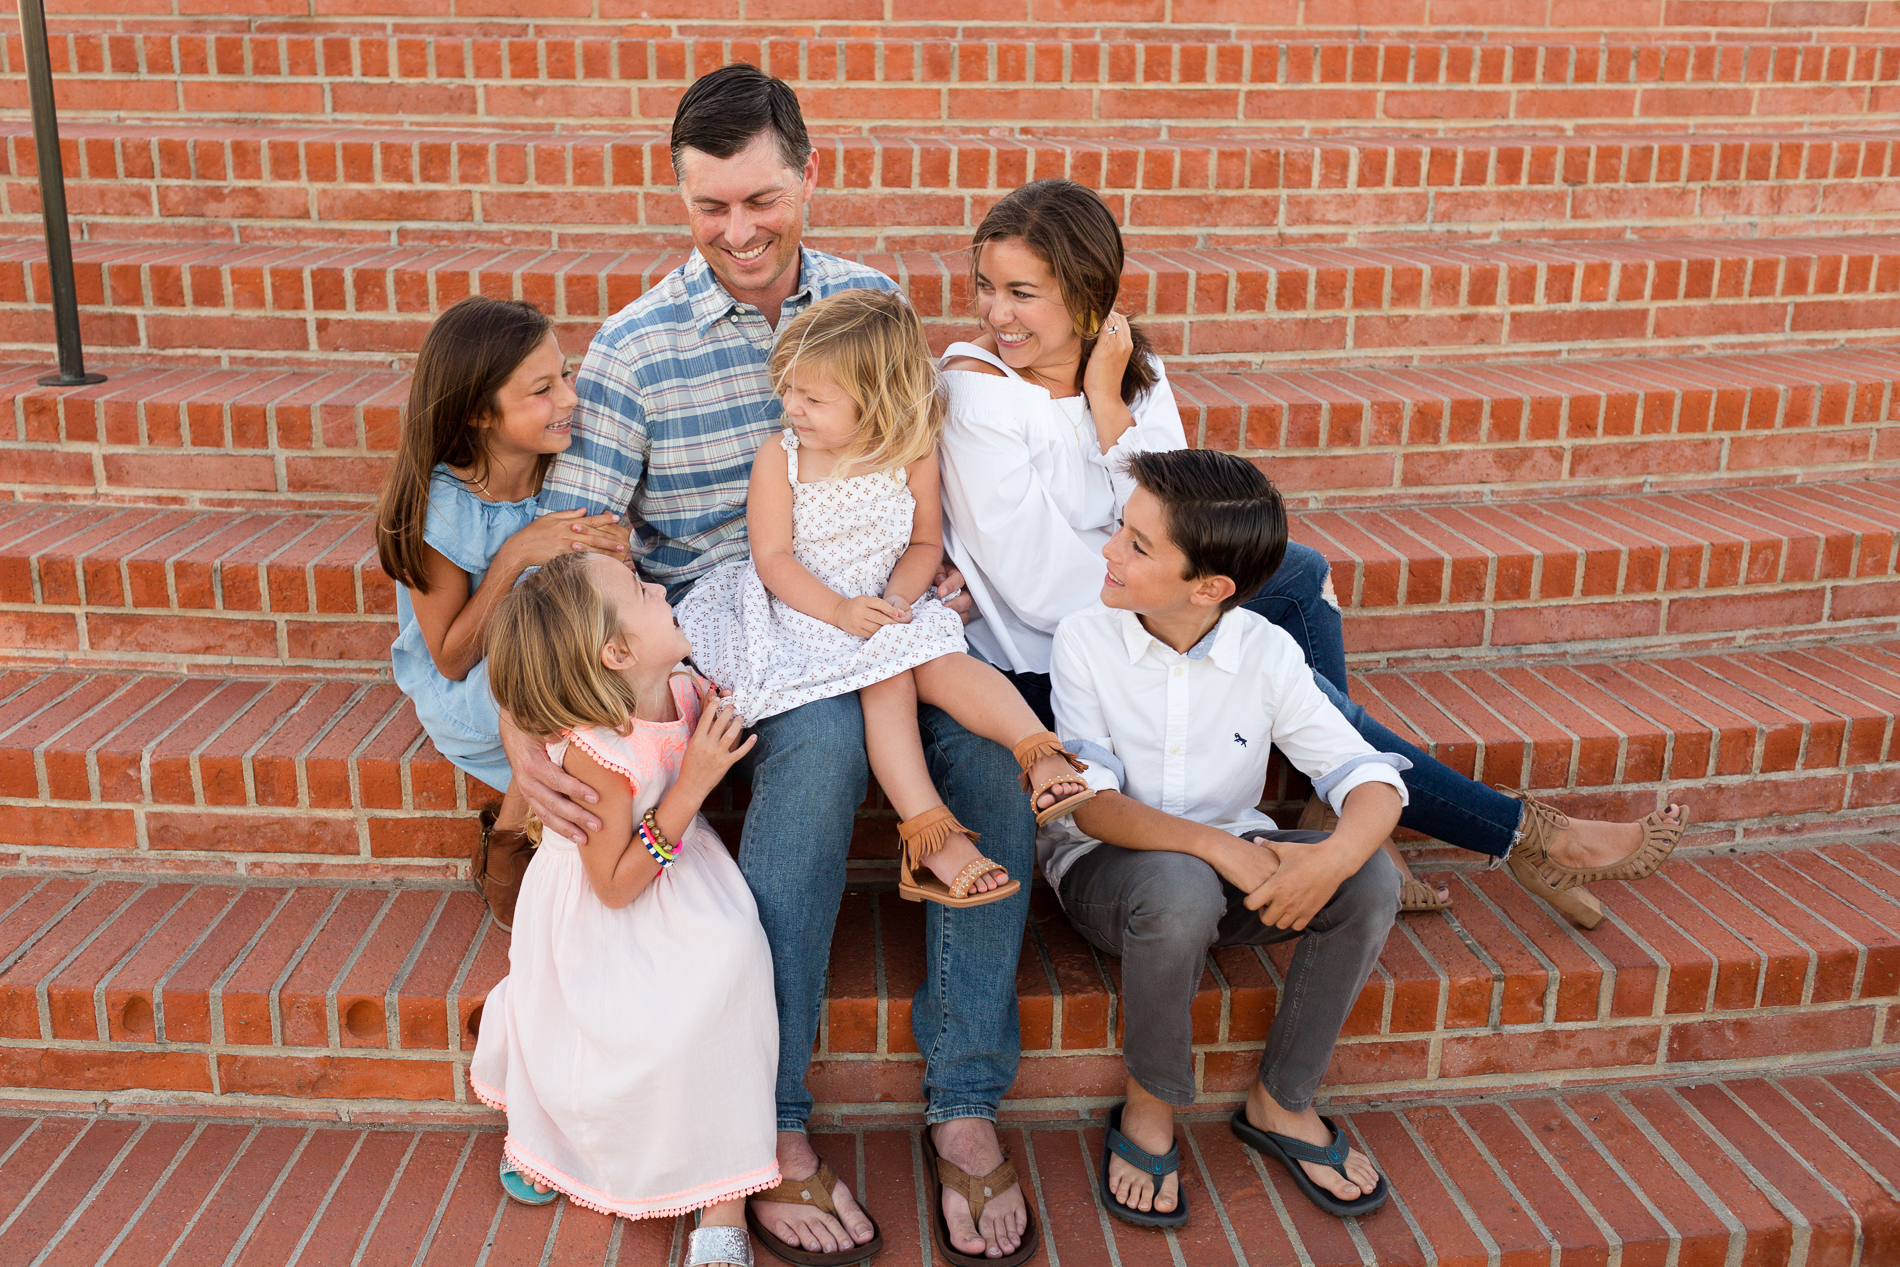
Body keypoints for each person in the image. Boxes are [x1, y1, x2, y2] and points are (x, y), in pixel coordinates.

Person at [499, 64, 1036, 1266]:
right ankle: (774, 1124)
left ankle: (962, 1100)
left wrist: (927, 573)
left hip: (880, 606)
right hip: (736, 635)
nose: (739, 232)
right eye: (709, 207)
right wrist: (524, 733)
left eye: (761, 199)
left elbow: (923, 474)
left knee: (987, 759)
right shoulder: (636, 350)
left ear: (807, 174)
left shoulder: (872, 303)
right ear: (680, 200)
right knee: (822, 749)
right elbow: (566, 559)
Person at [935, 178, 1686, 930]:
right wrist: (1160, 561)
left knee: (1299, 575)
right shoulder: (977, 392)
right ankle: (1519, 833)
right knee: (1294, 682)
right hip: (1055, 654)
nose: (997, 313)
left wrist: (1106, 401)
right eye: (986, 287)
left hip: (1152, 605)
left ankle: (1350, 799)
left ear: (1089, 292)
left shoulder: (1132, 372)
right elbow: (1042, 586)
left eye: (1022, 293)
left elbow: (1181, 517)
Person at [1045, 449, 1408, 1228]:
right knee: (1179, 885)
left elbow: (1369, 779)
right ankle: (1149, 1108)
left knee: (1373, 879)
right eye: (1120, 529)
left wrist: (1336, 858)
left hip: (1233, 877)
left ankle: (1282, 1101)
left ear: (1209, 588)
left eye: (1138, 546)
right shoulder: (1085, 639)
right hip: (1114, 880)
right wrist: (1220, 848)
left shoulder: (1266, 652)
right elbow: (1093, 809)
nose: (1110, 550)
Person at [678, 289, 1093, 911]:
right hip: (803, 609)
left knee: (948, 662)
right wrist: (843, 611)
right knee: (889, 676)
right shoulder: (782, 458)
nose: (792, 407)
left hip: (883, 600)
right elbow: (773, 560)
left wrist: (899, 596)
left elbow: (925, 540)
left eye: (813, 398)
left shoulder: (911, 451)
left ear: (874, 399)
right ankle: (929, 833)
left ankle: (1040, 752)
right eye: (789, 389)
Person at [472, 550, 775, 1267]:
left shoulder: (678, 682)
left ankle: (722, 1196)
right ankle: (557, 1129)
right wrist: (692, 785)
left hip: (678, 874)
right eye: (642, 590)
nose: (661, 586)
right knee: (625, 1031)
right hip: (611, 899)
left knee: (732, 954)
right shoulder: (599, 757)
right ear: (617, 650)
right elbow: (611, 884)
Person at [373, 296, 631, 930]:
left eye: (565, 375)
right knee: (568, 669)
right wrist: (517, 552)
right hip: (476, 685)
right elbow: (453, 656)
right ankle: (511, 834)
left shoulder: (571, 468)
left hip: (550, 662)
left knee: (601, 656)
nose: (570, 398)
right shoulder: (443, 506)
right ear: (479, 416)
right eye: (541, 390)